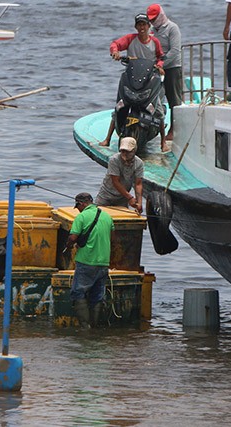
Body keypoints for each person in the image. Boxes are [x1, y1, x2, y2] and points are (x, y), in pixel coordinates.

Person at [100, 13, 167, 151]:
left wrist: (159, 65)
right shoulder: (131, 39)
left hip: (149, 79)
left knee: (159, 110)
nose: (142, 27)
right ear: (136, 27)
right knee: (119, 106)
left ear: (149, 26)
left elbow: (161, 57)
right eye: (139, 24)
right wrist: (115, 52)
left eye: (144, 24)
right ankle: (107, 138)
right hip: (133, 78)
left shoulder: (155, 42)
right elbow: (116, 44)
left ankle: (163, 142)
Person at [65, 192, 115, 329]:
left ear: (82, 204)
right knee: (97, 295)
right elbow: (112, 236)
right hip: (103, 262)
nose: (78, 209)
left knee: (78, 292)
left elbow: (73, 237)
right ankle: (94, 327)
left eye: (78, 206)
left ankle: (85, 327)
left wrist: (68, 246)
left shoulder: (81, 217)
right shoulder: (107, 216)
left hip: (87, 261)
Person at [147, 3, 181, 147]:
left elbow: (174, 50)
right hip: (155, 68)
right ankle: (153, 127)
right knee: (155, 98)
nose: (152, 22)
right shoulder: (152, 31)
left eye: (154, 19)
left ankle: (174, 129)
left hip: (172, 67)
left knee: (174, 100)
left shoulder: (172, 28)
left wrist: (162, 63)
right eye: (151, 20)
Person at [95, 136, 144, 214]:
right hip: (106, 195)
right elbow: (115, 181)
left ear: (134, 151)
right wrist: (130, 197)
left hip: (123, 198)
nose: (124, 154)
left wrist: (139, 203)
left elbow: (138, 184)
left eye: (127, 152)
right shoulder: (114, 160)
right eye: (122, 151)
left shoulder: (139, 163)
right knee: (97, 215)